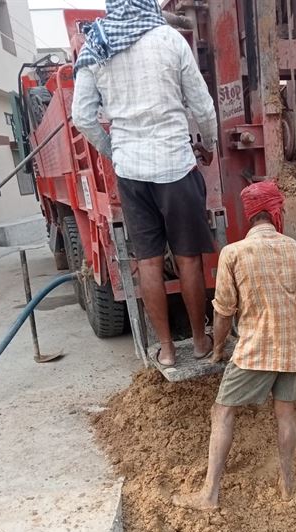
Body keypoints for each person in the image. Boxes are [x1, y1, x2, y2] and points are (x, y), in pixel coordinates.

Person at [72, 0, 217, 365]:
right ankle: (200, 342)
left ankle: (166, 351)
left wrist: (113, 150)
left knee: (149, 263)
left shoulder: (98, 45)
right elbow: (202, 106)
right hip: (175, 166)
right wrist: (209, 144)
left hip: (131, 173)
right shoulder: (169, 39)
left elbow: (81, 117)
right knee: (188, 260)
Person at [183, 181, 296, 510]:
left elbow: (222, 313)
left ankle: (209, 495)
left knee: (221, 412)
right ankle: (287, 484)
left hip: (253, 352)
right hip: (289, 353)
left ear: (249, 216)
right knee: (285, 416)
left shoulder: (233, 253)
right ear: (276, 212)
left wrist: (218, 350)